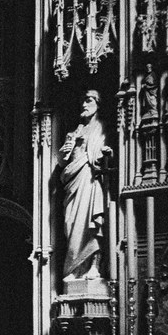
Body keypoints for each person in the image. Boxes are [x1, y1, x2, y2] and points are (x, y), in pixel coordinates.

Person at [58, 90, 110, 282]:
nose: (84, 105)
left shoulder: (101, 128)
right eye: (83, 100)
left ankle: (94, 267)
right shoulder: (74, 131)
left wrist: (105, 153)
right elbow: (62, 162)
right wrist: (67, 148)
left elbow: (103, 155)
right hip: (73, 180)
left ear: (98, 103)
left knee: (92, 221)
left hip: (91, 178)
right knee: (71, 223)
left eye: (88, 100)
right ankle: (75, 267)